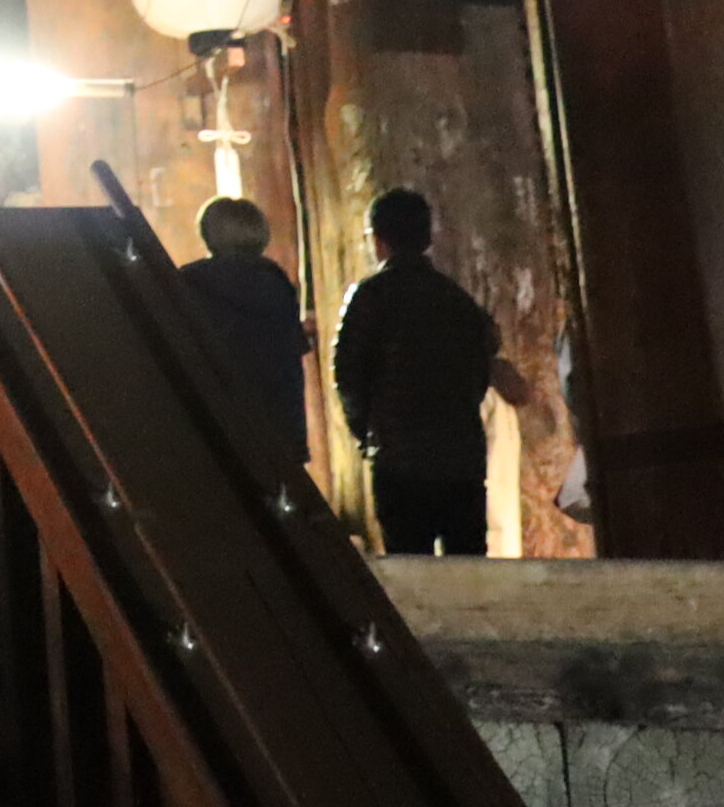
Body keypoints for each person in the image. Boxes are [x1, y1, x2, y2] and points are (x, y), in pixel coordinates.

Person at [333, 186, 532, 557]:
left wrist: (369, 435)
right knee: (468, 563)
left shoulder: (370, 298)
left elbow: (348, 376)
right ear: (427, 237)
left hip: (399, 459)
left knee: (411, 562)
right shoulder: (454, 299)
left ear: (377, 241)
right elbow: (481, 360)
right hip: (461, 456)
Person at [176, 196, 313, 471]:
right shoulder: (277, 286)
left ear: (208, 234)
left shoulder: (187, 285)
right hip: (279, 427)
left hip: (217, 427)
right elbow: (289, 349)